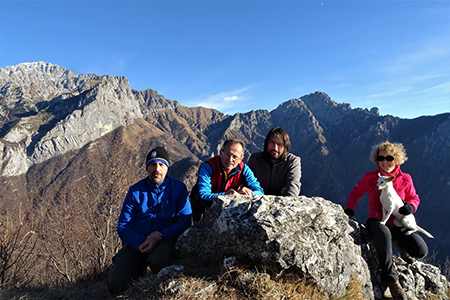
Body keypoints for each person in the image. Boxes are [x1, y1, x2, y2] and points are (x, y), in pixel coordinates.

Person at [344, 141, 428, 300]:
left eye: (389, 158)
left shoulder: (405, 179)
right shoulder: (371, 178)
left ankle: (401, 244)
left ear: (396, 159)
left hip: (399, 222)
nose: (385, 162)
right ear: (377, 160)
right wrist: (349, 209)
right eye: (381, 158)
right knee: (383, 235)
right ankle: (392, 281)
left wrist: (411, 207)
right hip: (377, 220)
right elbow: (355, 193)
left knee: (420, 250)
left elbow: (413, 198)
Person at [107, 147, 192, 294]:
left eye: (161, 165)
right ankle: (134, 266)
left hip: (165, 239)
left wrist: (159, 236)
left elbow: (184, 221)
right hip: (138, 242)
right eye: (153, 165)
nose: (157, 169)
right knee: (115, 285)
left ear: (167, 168)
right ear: (147, 168)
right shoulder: (135, 191)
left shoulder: (178, 189)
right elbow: (123, 226)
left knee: (159, 260)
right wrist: (140, 242)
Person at [191, 139, 264, 222]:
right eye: (227, 155)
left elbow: (260, 192)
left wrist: (246, 194)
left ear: (241, 159)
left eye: (235, 157)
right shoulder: (208, 167)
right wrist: (227, 195)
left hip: (225, 209)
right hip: (199, 208)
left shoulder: (243, 169)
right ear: (220, 153)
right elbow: (204, 198)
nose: (230, 160)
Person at [247, 127, 301, 196]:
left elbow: (293, 185)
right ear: (266, 143)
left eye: (279, 144)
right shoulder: (255, 159)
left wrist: (288, 203)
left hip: (282, 202)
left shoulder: (293, 161)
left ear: (285, 146)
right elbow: (245, 182)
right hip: (256, 200)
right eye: (272, 143)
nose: (275, 148)